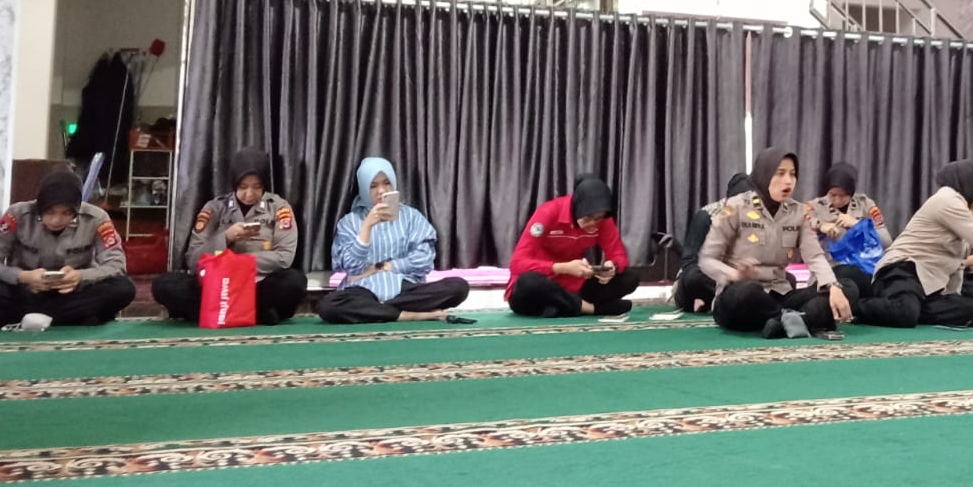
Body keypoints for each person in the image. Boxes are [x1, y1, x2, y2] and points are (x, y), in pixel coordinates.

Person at [855, 160, 973, 328]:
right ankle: (853, 306)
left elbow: (971, 253)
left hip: (929, 285)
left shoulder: (961, 209)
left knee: (967, 308)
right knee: (905, 312)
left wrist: (953, 295)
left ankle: (919, 308)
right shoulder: (947, 200)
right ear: (969, 182)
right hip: (903, 269)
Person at [699, 148, 858, 338]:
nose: (788, 181)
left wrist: (833, 287)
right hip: (739, 295)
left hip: (780, 295)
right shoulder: (735, 207)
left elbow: (815, 256)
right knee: (746, 293)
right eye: (780, 173)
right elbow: (706, 259)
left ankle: (781, 322)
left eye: (793, 174)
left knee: (847, 286)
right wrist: (735, 274)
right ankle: (801, 319)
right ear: (764, 173)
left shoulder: (799, 212)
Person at [153, 147, 307, 325]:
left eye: (257, 187)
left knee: (294, 282)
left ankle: (218, 312)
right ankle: (256, 313)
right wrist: (225, 238)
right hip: (217, 285)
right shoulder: (214, 208)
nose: (249, 194)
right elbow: (194, 260)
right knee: (164, 285)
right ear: (234, 183)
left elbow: (284, 258)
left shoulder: (279, 208)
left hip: (257, 283)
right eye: (243, 187)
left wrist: (237, 264)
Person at [0, 169, 135, 328]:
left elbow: (116, 265)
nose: (56, 220)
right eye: (49, 212)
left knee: (123, 288)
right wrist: (23, 277)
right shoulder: (17, 214)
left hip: (72, 293)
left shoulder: (97, 218)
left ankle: (24, 316)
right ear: (39, 207)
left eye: (66, 213)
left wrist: (80, 277)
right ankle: (70, 318)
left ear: (77, 210)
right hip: (24, 292)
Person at [319, 157, 470, 324]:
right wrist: (367, 227)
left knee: (458, 287)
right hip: (362, 290)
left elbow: (424, 260)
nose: (381, 191)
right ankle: (410, 315)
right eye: (373, 186)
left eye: (386, 183)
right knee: (328, 306)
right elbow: (351, 268)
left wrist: (382, 267)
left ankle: (377, 311)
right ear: (363, 187)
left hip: (406, 289)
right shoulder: (350, 222)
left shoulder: (411, 217)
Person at [507, 175, 638, 317]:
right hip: (542, 284)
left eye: (598, 218)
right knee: (528, 282)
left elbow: (618, 255)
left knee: (629, 278)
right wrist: (563, 268)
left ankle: (561, 307)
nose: (593, 223)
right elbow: (517, 264)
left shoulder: (604, 219)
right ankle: (593, 309)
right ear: (577, 207)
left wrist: (612, 267)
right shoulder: (548, 212)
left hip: (573, 286)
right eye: (587, 218)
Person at [806, 162, 892, 295]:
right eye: (832, 194)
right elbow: (798, 228)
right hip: (830, 273)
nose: (837, 200)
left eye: (842, 195)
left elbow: (886, 241)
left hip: (864, 270)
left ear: (851, 193)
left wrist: (859, 225)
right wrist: (820, 225)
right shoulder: (814, 207)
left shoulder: (865, 204)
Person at [676, 173, 752, 313]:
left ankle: (736, 298)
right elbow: (689, 262)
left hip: (740, 278)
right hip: (710, 277)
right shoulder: (706, 216)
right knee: (692, 277)